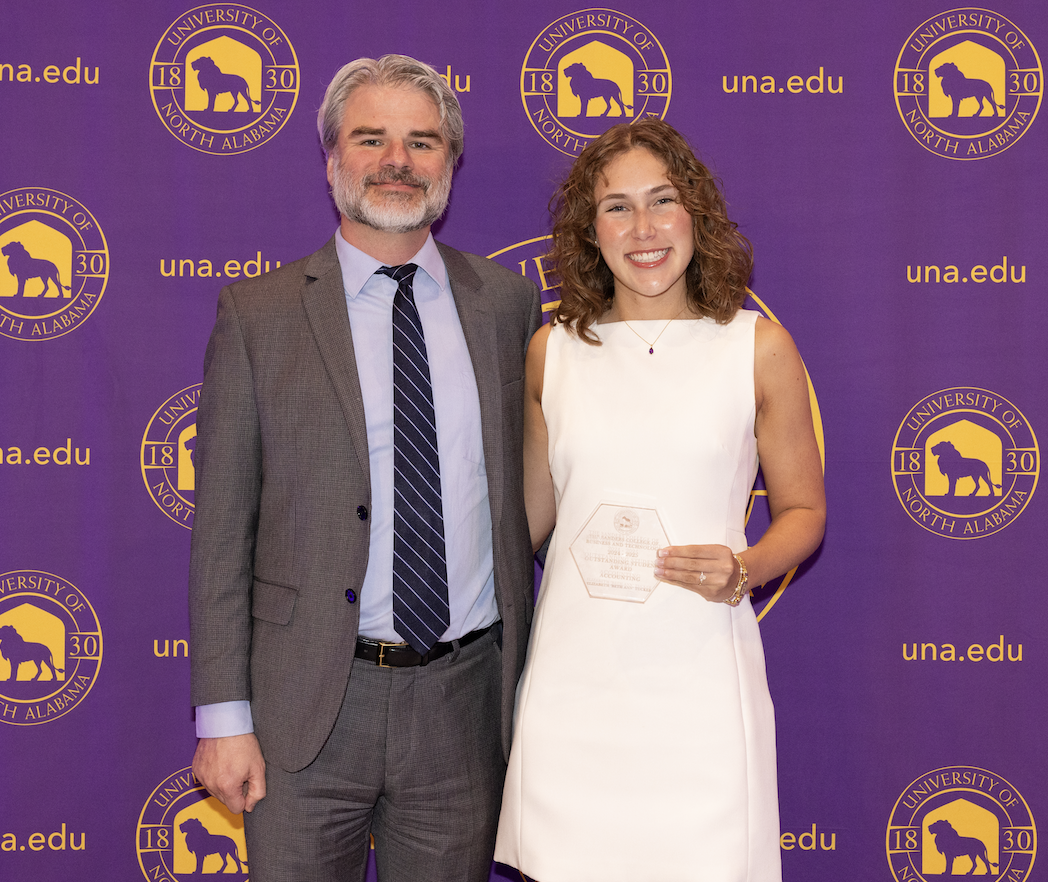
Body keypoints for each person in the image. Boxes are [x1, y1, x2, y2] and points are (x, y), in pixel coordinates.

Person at [188, 54, 541, 882]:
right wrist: (223, 716)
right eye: (371, 138)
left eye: (422, 141)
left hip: (463, 708)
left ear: (450, 162)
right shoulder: (258, 314)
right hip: (304, 709)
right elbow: (222, 532)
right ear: (331, 159)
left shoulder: (506, 305)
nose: (397, 161)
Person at [494, 118, 826, 881]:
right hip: (574, 692)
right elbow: (526, 526)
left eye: (662, 200)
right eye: (617, 207)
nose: (642, 228)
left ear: (695, 214)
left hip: (699, 686)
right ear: (591, 231)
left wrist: (744, 569)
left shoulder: (757, 348)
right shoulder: (552, 353)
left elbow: (805, 513)